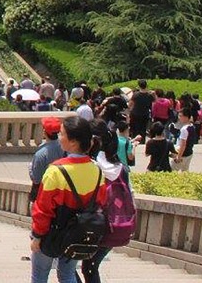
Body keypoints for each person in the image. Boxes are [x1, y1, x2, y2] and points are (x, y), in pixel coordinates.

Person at [29, 116, 108, 283]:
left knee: (39, 276)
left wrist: (37, 236)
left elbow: (43, 209)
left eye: (62, 134)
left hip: (51, 234)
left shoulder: (56, 171)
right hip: (77, 233)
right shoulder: (97, 171)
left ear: (73, 142)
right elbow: (99, 204)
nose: (59, 137)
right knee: (67, 275)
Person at [81, 119, 129, 283]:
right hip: (116, 224)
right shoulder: (120, 167)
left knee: (67, 264)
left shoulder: (92, 165)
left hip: (94, 223)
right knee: (90, 266)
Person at [29, 117, 65, 202]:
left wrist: (30, 168)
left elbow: (36, 179)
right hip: (60, 193)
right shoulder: (65, 147)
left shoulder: (41, 154)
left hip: (43, 195)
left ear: (44, 132)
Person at [172, 107, 198, 173]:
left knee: (172, 171)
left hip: (183, 155)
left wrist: (178, 157)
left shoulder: (184, 129)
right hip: (189, 153)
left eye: (181, 116)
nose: (179, 118)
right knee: (185, 172)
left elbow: (183, 144)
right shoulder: (192, 126)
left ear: (186, 117)